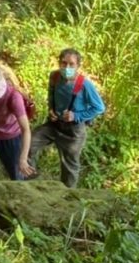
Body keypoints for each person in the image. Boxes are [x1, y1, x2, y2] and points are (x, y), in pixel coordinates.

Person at [26, 48, 105, 188]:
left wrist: (77, 115)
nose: (67, 67)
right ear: (59, 63)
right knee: (28, 144)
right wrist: (51, 109)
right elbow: (51, 93)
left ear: (78, 66)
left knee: (69, 166)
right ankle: (29, 181)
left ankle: (67, 196)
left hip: (73, 131)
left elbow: (99, 107)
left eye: (71, 64)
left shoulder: (84, 85)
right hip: (54, 124)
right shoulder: (55, 76)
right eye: (63, 63)